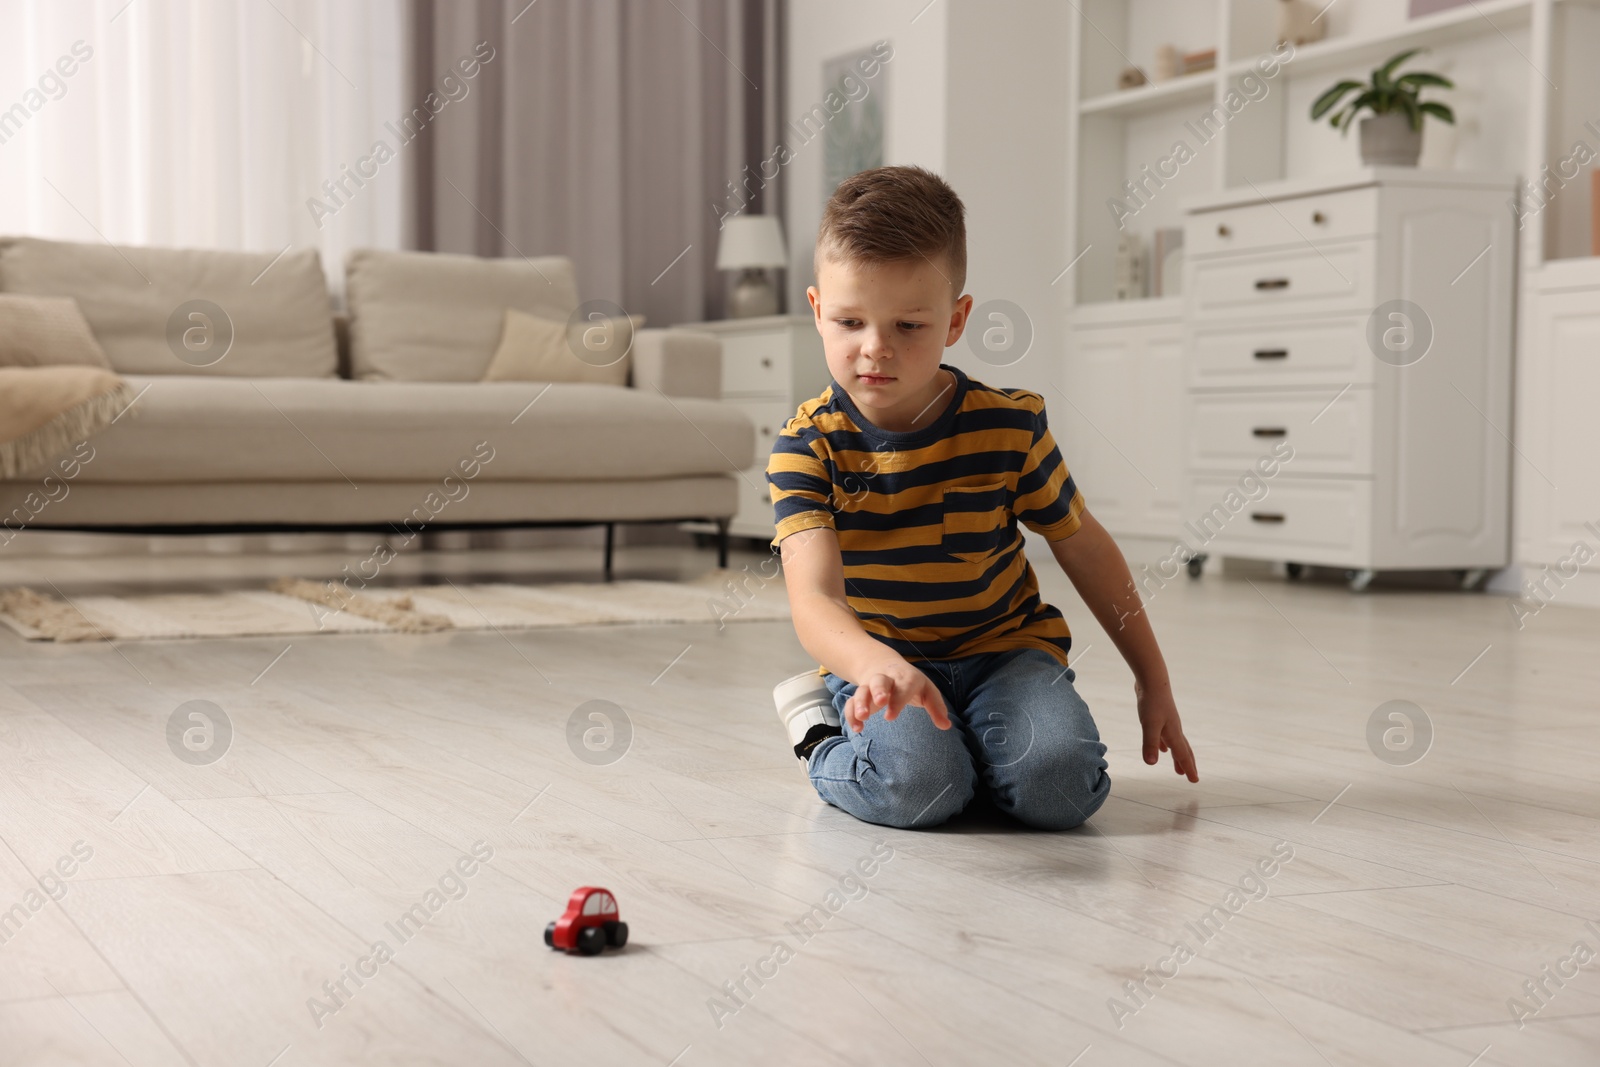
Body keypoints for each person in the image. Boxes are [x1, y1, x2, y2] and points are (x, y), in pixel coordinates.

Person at [766, 164, 1197, 831]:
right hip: (883, 661)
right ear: (818, 310)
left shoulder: (1009, 425)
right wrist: (874, 664)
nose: (874, 349)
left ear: (957, 319)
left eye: (909, 325)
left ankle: (981, 755)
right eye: (850, 321)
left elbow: (1083, 547)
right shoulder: (807, 447)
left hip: (1005, 651)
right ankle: (820, 734)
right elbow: (814, 598)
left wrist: (1153, 678)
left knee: (1062, 792)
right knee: (922, 791)